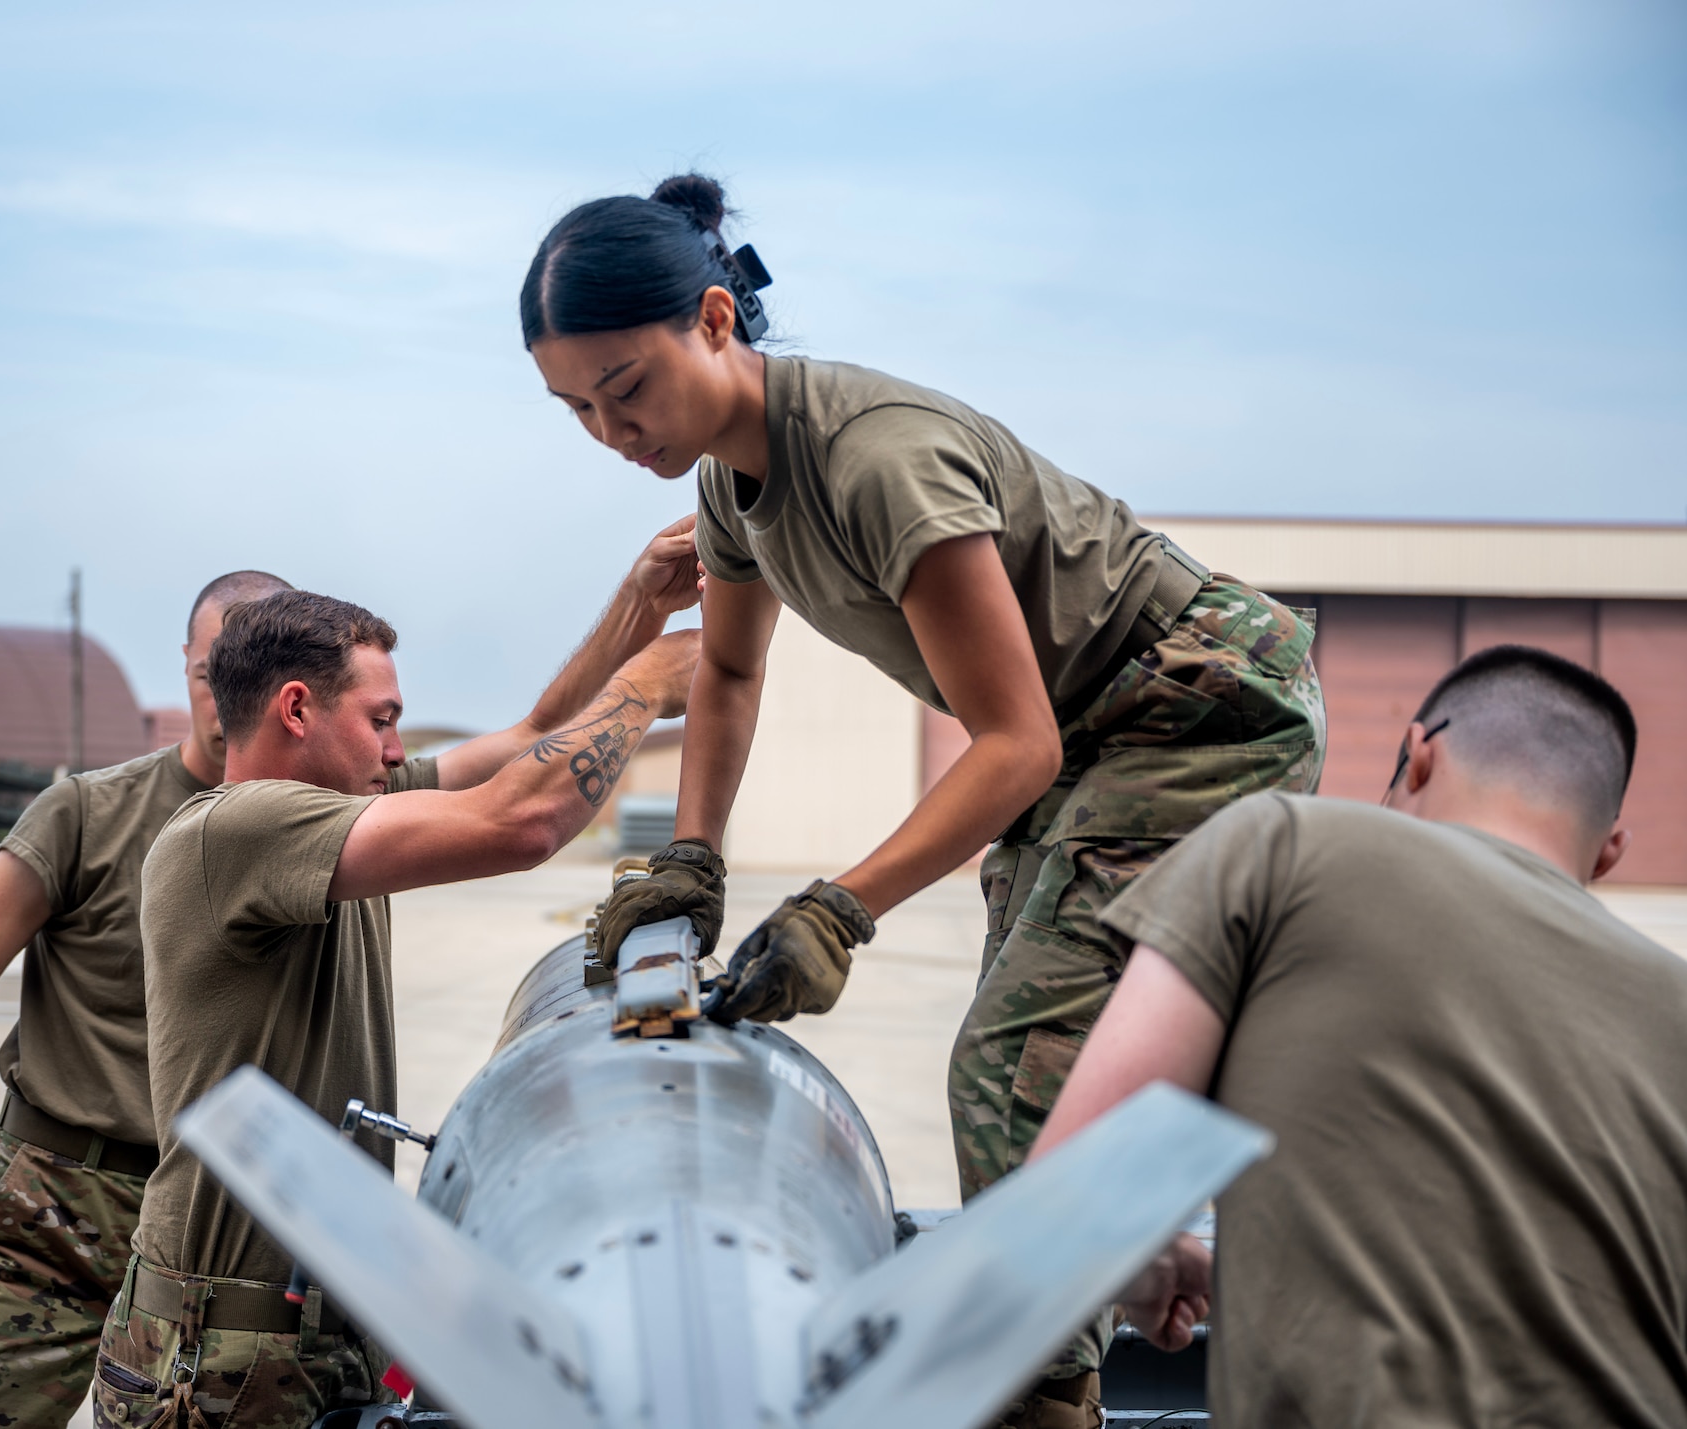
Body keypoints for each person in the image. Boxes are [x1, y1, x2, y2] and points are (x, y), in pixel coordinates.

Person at [521, 172, 1325, 1425]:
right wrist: (690, 860)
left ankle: (1037, 1399)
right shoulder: (729, 488)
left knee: (1008, 1067)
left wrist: (837, 909)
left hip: (1193, 705)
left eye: (624, 386)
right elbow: (725, 673)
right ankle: (1141, 1254)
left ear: (715, 321)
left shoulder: (875, 460)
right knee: (1049, 1062)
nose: (609, 429)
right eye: (574, 408)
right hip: (1093, 728)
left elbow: (1014, 742)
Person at [1034, 645, 1687, 1429]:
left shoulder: (1281, 845)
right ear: (1609, 851)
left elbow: (1073, 1201)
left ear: (1418, 756)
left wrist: (1143, 1260)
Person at [90, 588, 697, 1428]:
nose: (397, 748)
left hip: (312, 1334)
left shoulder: (349, 802)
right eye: (381, 720)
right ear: (296, 709)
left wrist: (642, 601)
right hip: (224, 1357)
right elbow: (522, 820)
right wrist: (648, 684)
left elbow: (532, 741)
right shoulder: (233, 830)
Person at [0, 567, 295, 1429]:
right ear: (186, 666)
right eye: (209, 674)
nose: (227, 699)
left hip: (210, 1237)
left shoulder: (318, 828)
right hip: (51, 1220)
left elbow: (503, 784)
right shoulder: (86, 813)